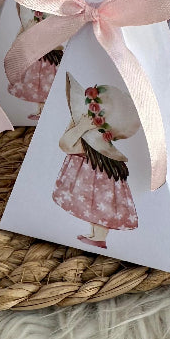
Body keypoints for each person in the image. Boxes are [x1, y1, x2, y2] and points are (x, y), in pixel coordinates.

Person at [52, 74, 140, 249]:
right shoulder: (92, 143)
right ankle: (94, 234)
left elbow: (65, 143)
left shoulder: (91, 145)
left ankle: (98, 237)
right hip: (94, 185)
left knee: (100, 209)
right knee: (94, 207)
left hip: (97, 187)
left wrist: (81, 126)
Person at [7, 4, 62, 120]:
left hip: (50, 62)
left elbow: (59, 45)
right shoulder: (28, 26)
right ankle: (40, 111)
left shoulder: (52, 29)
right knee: (38, 88)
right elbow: (19, 41)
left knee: (47, 87)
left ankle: (47, 111)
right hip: (35, 61)